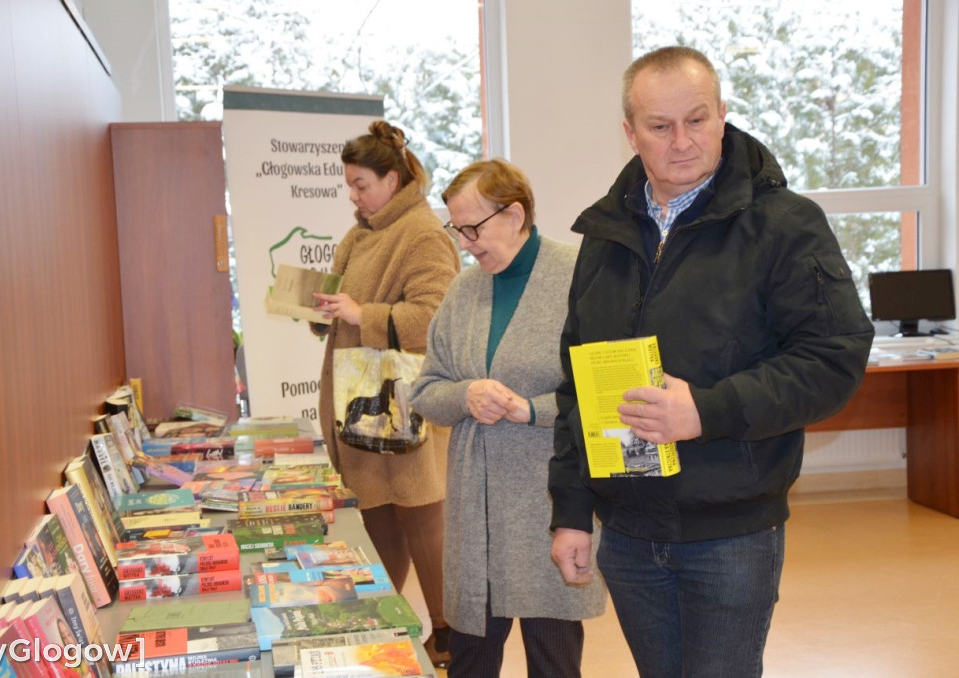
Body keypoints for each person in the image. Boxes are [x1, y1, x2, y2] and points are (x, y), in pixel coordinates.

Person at [549, 46, 874, 677]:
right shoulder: (604, 238)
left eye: (697, 120)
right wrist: (570, 512)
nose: (681, 142)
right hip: (630, 533)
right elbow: (576, 387)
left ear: (723, 115)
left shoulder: (785, 226)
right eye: (660, 126)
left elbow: (834, 359)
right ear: (629, 132)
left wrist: (707, 410)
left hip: (733, 534)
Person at [410, 159, 607, 678]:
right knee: (471, 661)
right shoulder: (463, 291)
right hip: (476, 515)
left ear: (515, 214)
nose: (466, 242)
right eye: (457, 229)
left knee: (553, 659)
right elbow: (426, 390)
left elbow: (606, 390)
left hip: (550, 505)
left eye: (473, 227)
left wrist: (531, 409)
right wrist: (465, 394)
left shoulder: (579, 276)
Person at [311, 120, 459, 667]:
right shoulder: (361, 232)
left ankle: (447, 632)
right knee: (376, 517)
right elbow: (339, 301)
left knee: (421, 517)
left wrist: (362, 314)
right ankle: (387, 623)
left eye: (361, 184)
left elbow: (436, 317)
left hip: (403, 408)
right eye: (348, 185)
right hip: (359, 402)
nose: (354, 195)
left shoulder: (422, 233)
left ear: (392, 179)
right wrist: (318, 309)